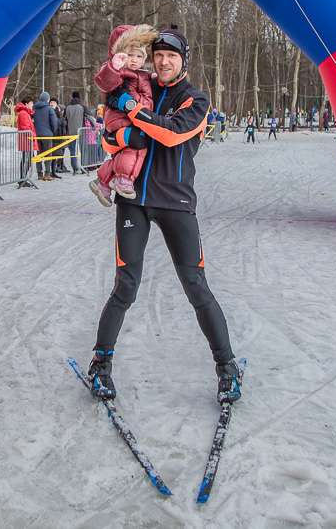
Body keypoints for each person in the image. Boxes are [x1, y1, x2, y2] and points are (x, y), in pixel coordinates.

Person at [87, 24, 241, 407]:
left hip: (176, 202)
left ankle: (227, 368)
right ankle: (100, 365)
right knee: (126, 286)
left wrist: (132, 111)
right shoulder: (142, 84)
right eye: (159, 55)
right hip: (133, 200)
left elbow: (172, 134)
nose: (164, 61)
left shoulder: (196, 100)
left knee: (196, 287)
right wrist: (122, 134)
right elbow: (107, 134)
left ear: (183, 60)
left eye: (171, 56)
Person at [89, 24, 158, 205]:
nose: (134, 60)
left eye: (139, 56)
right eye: (130, 55)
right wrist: (114, 66)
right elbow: (105, 81)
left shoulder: (142, 74)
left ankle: (103, 181)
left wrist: (152, 80)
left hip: (127, 118)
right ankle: (124, 178)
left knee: (126, 151)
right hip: (121, 118)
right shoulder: (118, 71)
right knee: (137, 148)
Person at [64, 91, 95, 174]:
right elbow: (90, 117)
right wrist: (94, 125)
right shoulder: (82, 107)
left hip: (71, 132)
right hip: (81, 132)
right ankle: (83, 166)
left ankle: (74, 167)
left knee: (72, 150)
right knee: (83, 150)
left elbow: (65, 121)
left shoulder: (67, 108)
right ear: (79, 97)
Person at [33, 91, 59, 180]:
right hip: (47, 134)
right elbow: (54, 122)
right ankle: (47, 173)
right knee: (48, 153)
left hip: (37, 134)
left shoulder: (35, 108)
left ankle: (39, 174)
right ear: (48, 99)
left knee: (39, 154)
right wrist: (52, 131)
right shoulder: (49, 109)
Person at [14, 96, 36, 185]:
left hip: (27, 140)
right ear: (26, 104)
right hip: (26, 140)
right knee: (26, 160)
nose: (32, 105)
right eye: (31, 103)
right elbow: (25, 127)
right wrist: (32, 135)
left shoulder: (26, 113)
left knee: (28, 160)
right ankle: (22, 179)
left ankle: (24, 178)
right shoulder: (23, 113)